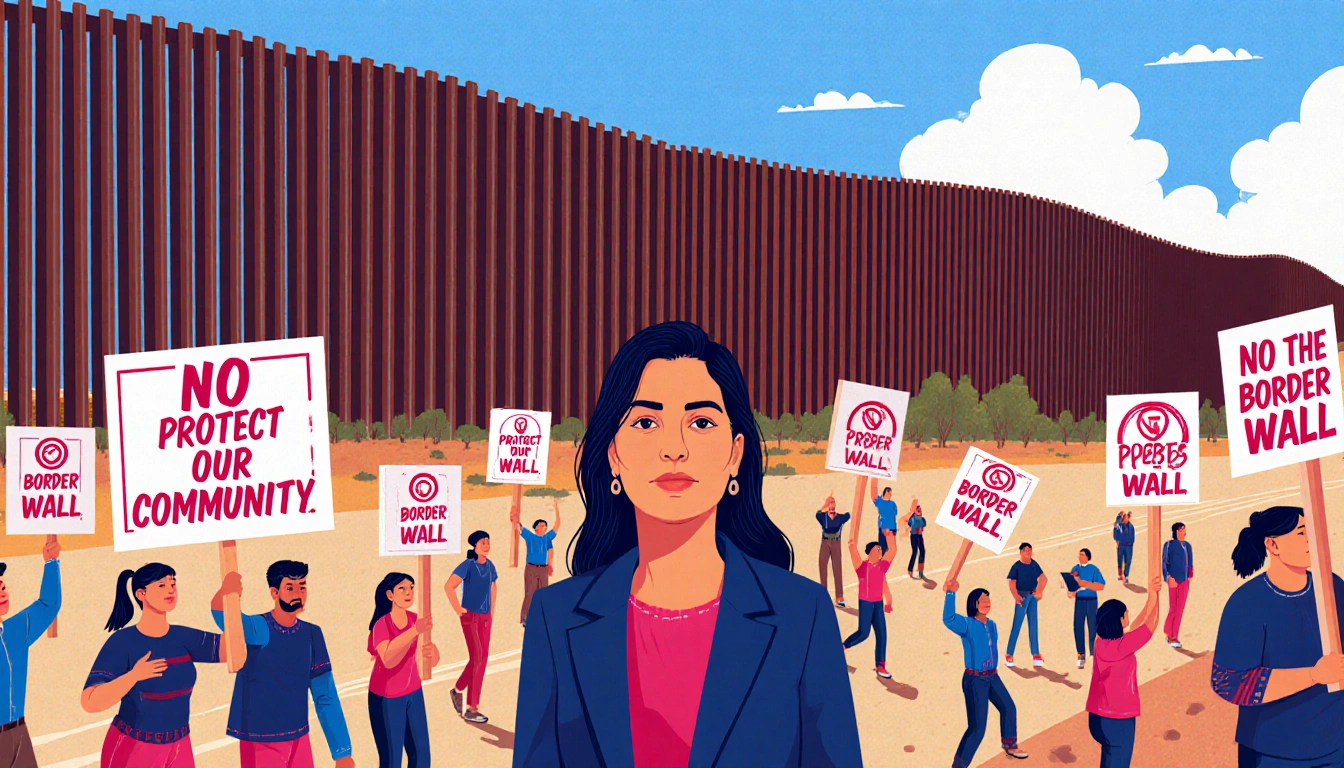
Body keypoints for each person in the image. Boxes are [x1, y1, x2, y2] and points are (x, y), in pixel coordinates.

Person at [513, 321, 861, 768]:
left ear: (735, 452)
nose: (673, 448)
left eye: (700, 422)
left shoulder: (804, 614)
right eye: (645, 422)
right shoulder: (555, 617)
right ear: (614, 455)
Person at [1212, 506, 1344, 767]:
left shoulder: (1332, 586)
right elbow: (1228, 682)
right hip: (1273, 751)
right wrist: (1313, 675)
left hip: (1336, 743)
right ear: (1273, 544)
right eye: (1302, 533)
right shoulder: (1247, 603)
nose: (1312, 540)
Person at [208, 560, 355, 768]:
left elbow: (325, 694)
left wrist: (342, 752)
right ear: (274, 592)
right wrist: (225, 592)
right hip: (262, 739)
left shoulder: (312, 634)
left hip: (299, 738)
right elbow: (226, 618)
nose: (298, 594)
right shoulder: (260, 628)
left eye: (302, 587)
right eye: (290, 588)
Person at [82, 563, 225, 768]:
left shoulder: (183, 637)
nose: (170, 589)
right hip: (134, 748)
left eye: (173, 583)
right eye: (161, 585)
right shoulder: (123, 642)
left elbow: (235, 652)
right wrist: (133, 676)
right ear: (141, 594)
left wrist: (224, 602)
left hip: (180, 746)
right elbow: (89, 702)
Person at [943, 578, 1029, 765]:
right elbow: (948, 618)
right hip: (975, 680)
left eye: (988, 599)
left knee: (1009, 707)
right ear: (974, 604)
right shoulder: (966, 624)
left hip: (992, 676)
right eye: (982, 600)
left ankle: (1010, 744)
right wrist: (951, 593)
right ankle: (959, 765)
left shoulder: (992, 625)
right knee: (977, 729)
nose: (986, 602)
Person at [1087, 570, 1162, 768]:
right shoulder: (1122, 645)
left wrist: (1150, 601)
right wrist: (1155, 596)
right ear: (1119, 620)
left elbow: (1136, 628)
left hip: (1097, 717)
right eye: (1126, 614)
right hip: (1118, 719)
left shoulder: (1101, 642)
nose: (1129, 616)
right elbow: (1151, 625)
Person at [0, 538, 62, 768]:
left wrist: (51, 563)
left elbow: (48, 604)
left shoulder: (16, 630)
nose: (2, 591)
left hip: (19, 735)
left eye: (2, 585)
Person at [367, 572, 438, 768]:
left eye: (412, 588)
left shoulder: (416, 619)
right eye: (402, 589)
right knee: (392, 759)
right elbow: (388, 658)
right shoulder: (382, 625)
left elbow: (431, 660)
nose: (409, 593)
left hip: (413, 693)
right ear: (390, 595)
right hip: (386, 698)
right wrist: (415, 631)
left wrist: (432, 653)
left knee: (421, 755)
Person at [447, 530, 498, 724]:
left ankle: (459, 691)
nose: (486, 545)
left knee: (482, 659)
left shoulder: (490, 566)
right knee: (476, 657)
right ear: (474, 546)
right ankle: (471, 707)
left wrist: (492, 612)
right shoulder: (468, 565)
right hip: (470, 617)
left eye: (488, 541)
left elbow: (493, 586)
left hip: (486, 617)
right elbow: (449, 586)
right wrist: (459, 609)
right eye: (483, 542)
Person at [842, 503, 898, 680]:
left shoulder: (882, 566)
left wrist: (889, 536)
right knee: (864, 633)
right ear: (869, 552)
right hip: (866, 603)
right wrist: (851, 542)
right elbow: (852, 548)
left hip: (877, 603)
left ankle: (880, 665)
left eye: (881, 549)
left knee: (882, 633)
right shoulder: (862, 567)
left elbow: (893, 550)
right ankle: (842, 646)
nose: (880, 551)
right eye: (877, 549)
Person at [516, 499, 562, 627]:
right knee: (530, 593)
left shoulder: (547, 538)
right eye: (541, 526)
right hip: (531, 568)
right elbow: (519, 526)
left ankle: (540, 618)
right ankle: (525, 618)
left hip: (543, 569)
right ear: (536, 529)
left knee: (542, 593)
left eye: (545, 526)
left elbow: (557, 524)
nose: (544, 528)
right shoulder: (530, 536)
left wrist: (556, 507)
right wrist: (514, 517)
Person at [1004, 542, 1047, 669]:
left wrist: (1039, 591)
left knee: (1033, 625)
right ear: (1021, 552)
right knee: (1017, 625)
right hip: (1022, 597)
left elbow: (1044, 579)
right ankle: (1009, 654)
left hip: (1032, 597)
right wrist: (1016, 596)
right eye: (1026, 551)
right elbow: (1012, 583)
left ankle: (1036, 655)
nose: (1028, 553)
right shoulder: (1016, 567)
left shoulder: (1034, 564)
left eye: (1030, 551)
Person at [1070, 548, 1107, 668]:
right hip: (1079, 601)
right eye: (1079, 554)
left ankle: (1094, 653)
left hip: (1091, 601)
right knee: (1078, 627)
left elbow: (1101, 586)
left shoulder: (1093, 569)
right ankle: (1081, 655)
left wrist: (1085, 584)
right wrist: (1072, 592)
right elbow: (1071, 586)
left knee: (1093, 628)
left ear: (1087, 557)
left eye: (1082, 555)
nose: (1080, 557)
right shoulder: (1075, 569)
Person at [815, 492, 852, 607]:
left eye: (833, 501)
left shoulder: (840, 517)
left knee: (837, 568)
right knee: (822, 566)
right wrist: (824, 505)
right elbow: (817, 514)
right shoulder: (823, 517)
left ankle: (839, 596)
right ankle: (824, 594)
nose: (832, 503)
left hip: (836, 542)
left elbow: (849, 514)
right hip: (825, 542)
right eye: (830, 501)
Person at [1163, 522, 1194, 649]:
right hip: (1173, 580)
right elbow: (1165, 562)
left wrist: (1190, 576)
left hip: (1185, 580)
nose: (1184, 532)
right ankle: (1169, 634)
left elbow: (1190, 562)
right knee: (1173, 608)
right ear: (1176, 531)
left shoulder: (1188, 546)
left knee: (1180, 608)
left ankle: (1174, 635)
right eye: (1181, 530)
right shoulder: (1169, 545)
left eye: (1184, 530)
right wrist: (1168, 577)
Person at [900, 497, 928, 579]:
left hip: (919, 536)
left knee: (921, 551)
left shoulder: (920, 519)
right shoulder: (914, 519)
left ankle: (920, 570)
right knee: (915, 552)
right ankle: (910, 569)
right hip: (914, 536)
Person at [872, 485, 900, 555]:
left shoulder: (892, 503)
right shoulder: (880, 501)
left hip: (891, 528)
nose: (890, 495)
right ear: (886, 492)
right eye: (889, 493)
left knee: (889, 550)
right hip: (884, 527)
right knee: (883, 549)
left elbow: (895, 513)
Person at [1113, 512, 1135, 584]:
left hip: (1128, 546)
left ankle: (1126, 575)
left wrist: (1131, 544)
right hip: (1121, 545)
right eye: (1124, 518)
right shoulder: (1119, 526)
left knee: (1128, 561)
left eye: (1127, 518)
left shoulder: (1131, 526)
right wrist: (1117, 541)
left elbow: (1132, 537)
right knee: (1120, 561)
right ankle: (1120, 574)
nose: (1126, 519)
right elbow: (1115, 535)